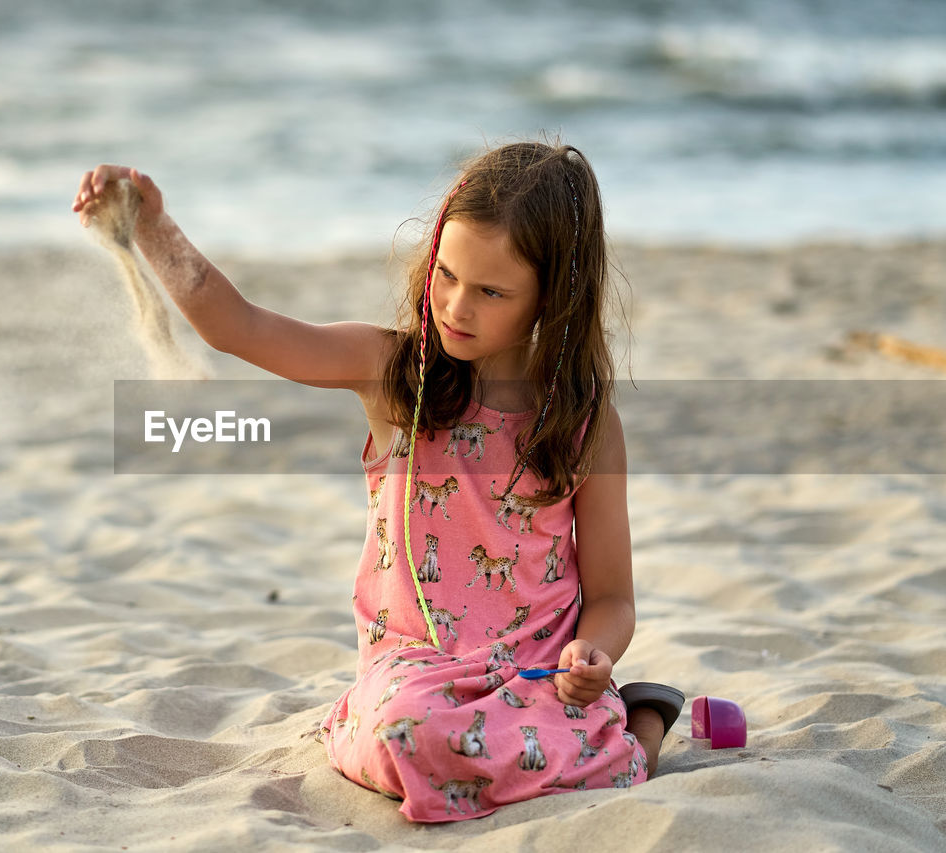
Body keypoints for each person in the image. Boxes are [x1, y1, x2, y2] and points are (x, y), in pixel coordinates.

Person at [72, 140, 685, 823]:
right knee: (404, 732)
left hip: (536, 673)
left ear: (553, 296)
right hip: (415, 671)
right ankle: (622, 726)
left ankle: (642, 722)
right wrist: (153, 225)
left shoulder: (583, 423)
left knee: (586, 752)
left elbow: (612, 596)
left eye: (490, 291)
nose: (455, 305)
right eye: (446, 274)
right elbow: (238, 326)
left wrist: (593, 651)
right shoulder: (395, 373)